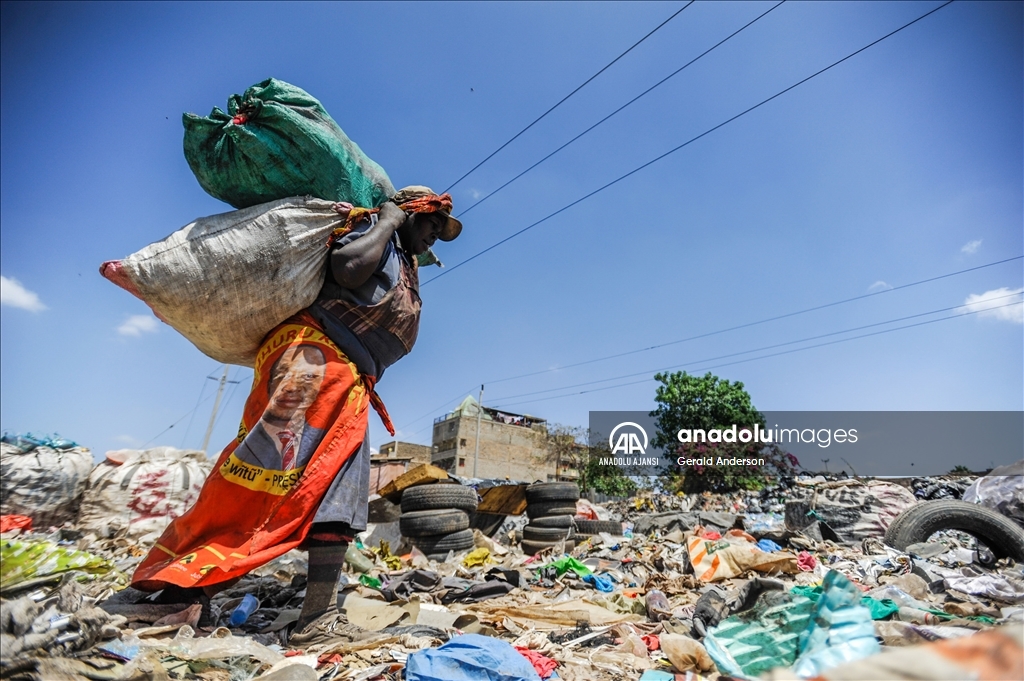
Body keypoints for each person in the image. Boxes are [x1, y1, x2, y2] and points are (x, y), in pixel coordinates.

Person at [131, 186, 462, 636]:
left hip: (345, 378)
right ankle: (181, 590)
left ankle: (314, 617)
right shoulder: (372, 231)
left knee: (336, 494)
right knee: (265, 479)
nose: (435, 238)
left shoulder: (403, 261)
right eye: (431, 225)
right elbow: (346, 271)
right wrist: (386, 221)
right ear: (410, 215)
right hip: (313, 362)